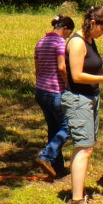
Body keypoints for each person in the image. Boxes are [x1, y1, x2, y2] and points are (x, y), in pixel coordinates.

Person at [63, 5, 103, 204]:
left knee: (86, 147)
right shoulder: (77, 43)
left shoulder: (90, 41)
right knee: (83, 148)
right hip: (78, 99)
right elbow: (77, 75)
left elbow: (93, 67)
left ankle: (79, 195)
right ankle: (77, 202)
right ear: (94, 24)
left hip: (89, 98)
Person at [34, 14, 76, 179]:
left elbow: (37, 68)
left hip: (40, 90)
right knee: (67, 127)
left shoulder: (40, 42)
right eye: (69, 33)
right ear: (65, 29)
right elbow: (61, 67)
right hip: (55, 91)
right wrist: (69, 84)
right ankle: (46, 155)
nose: (68, 37)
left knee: (54, 127)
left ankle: (57, 167)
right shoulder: (60, 43)